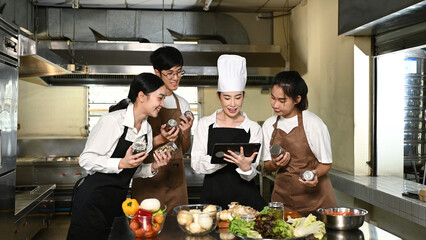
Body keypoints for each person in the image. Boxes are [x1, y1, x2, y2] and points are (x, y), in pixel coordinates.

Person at [67, 73, 172, 240]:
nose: (162, 104)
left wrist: (153, 167)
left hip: (118, 203)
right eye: (159, 98)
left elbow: (131, 169)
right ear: (141, 96)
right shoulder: (112, 121)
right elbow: (86, 160)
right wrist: (121, 163)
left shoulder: (147, 130)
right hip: (93, 201)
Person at [191, 54, 267, 211]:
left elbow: (253, 172)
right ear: (219, 97)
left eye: (237, 98)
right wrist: (220, 160)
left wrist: (246, 168)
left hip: (246, 203)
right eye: (227, 98)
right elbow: (196, 164)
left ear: (243, 97)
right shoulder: (205, 124)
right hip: (212, 202)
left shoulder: (253, 128)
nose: (232, 104)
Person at [261, 71, 337, 212]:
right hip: (282, 200)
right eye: (273, 98)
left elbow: (325, 163)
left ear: (297, 99)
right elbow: (267, 165)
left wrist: (314, 173)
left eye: (282, 100)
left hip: (316, 201)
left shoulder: (313, 123)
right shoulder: (268, 125)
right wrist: (275, 164)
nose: (275, 104)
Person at [132, 46, 194, 214]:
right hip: (148, 179)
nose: (176, 78)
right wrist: (160, 138)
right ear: (157, 73)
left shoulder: (183, 104)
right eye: (170, 73)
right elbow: (132, 146)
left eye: (179, 72)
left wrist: (186, 132)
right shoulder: (145, 102)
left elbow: (184, 149)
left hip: (176, 182)